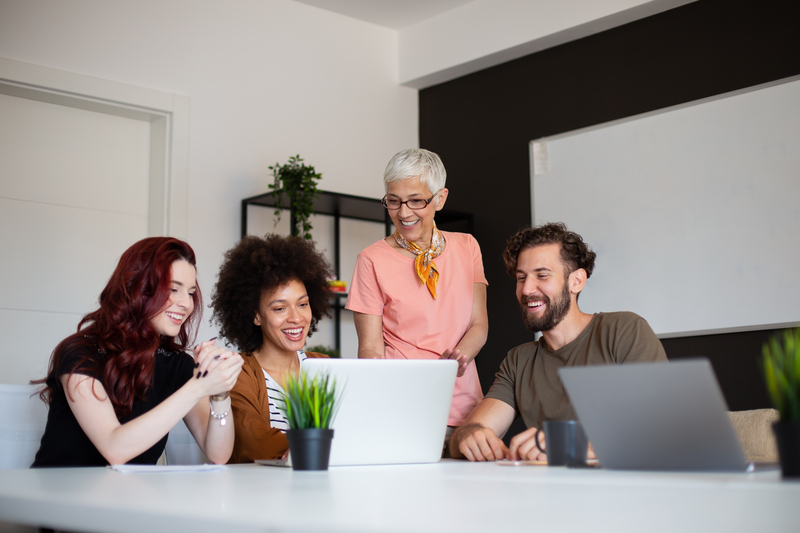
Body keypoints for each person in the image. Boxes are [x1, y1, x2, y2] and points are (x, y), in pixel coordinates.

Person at [450, 222, 668, 462]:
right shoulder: (519, 360)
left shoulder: (624, 331)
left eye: (542, 275)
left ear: (576, 281)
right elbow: (469, 432)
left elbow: (663, 427)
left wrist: (573, 444)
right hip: (550, 495)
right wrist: (469, 437)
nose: (526, 289)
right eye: (521, 278)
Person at [32, 237, 244, 467]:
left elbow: (219, 454)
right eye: (173, 289)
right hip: (59, 495)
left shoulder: (176, 364)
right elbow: (115, 449)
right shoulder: (80, 353)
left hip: (127, 499)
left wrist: (220, 392)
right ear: (138, 288)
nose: (186, 303)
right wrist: (198, 387)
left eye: (191, 292)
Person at [346, 148, 489, 451]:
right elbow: (370, 348)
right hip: (400, 411)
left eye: (416, 201)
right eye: (393, 201)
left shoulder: (467, 247)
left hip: (464, 409)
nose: (404, 213)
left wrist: (459, 358)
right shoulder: (371, 260)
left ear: (440, 199)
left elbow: (479, 324)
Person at [210, 234, 334, 463]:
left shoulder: (323, 366)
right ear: (255, 315)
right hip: (261, 495)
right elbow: (254, 443)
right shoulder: (238, 373)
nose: (296, 318)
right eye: (279, 309)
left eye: (303, 304)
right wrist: (323, 447)